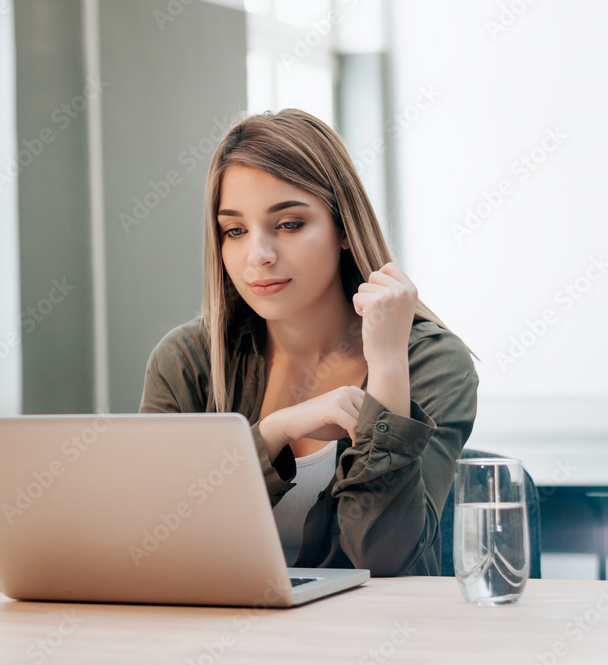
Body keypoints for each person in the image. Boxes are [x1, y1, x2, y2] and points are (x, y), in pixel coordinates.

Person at [138, 109, 479, 577]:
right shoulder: (187, 361)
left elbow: (385, 558)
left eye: (289, 223)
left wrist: (385, 366)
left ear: (343, 228)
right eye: (234, 230)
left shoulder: (431, 361)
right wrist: (274, 430)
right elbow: (154, 536)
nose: (258, 255)